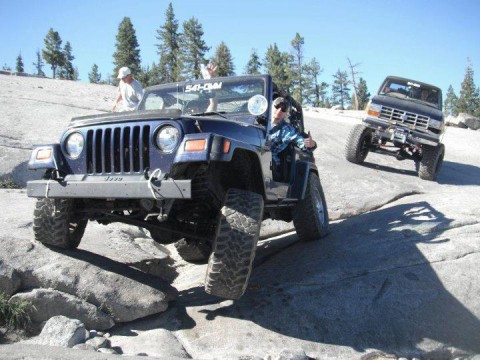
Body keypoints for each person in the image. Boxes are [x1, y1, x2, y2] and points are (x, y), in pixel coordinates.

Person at [269, 96, 317, 173]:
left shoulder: (288, 130)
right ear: (271, 107)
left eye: (283, 109)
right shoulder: (256, 121)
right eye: (277, 106)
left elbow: (300, 141)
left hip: (270, 164)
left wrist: (311, 144)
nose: (279, 110)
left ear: (286, 114)